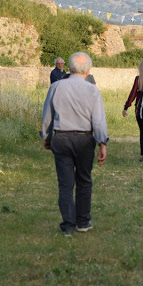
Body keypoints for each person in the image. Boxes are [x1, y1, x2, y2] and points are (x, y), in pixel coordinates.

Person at [41, 52, 108, 236]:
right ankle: (83, 221)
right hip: (84, 139)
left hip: (61, 137)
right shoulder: (93, 90)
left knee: (65, 183)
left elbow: (48, 115)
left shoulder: (56, 87)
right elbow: (99, 120)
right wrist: (102, 143)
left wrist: (47, 137)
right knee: (84, 180)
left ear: (69, 68)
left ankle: (68, 225)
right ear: (88, 70)